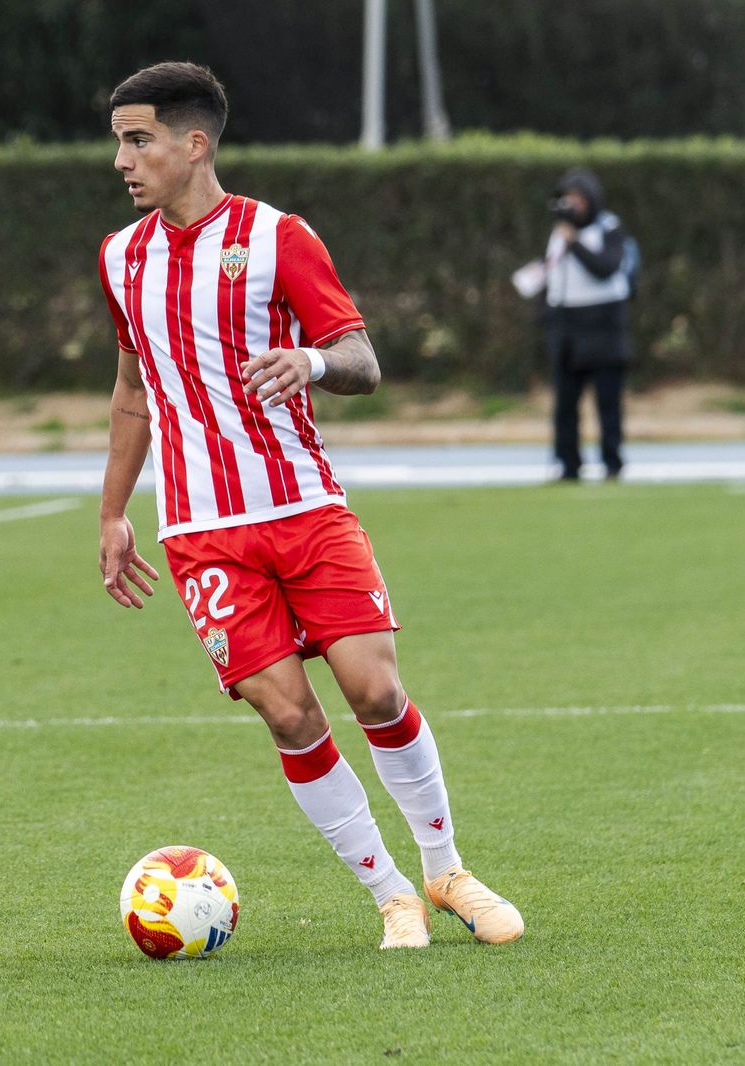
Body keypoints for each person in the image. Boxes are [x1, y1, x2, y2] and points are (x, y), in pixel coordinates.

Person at [95, 62, 523, 951]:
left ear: (194, 144)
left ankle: (446, 869)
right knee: (289, 714)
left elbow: (363, 360)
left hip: (305, 507)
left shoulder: (278, 238)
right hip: (201, 532)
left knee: (375, 689)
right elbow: (133, 389)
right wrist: (112, 513)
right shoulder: (119, 257)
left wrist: (312, 362)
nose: (122, 161)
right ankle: (393, 896)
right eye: (119, 143)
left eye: (138, 141)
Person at [543, 168, 634, 481]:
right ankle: (568, 464)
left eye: (578, 199)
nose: (573, 206)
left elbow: (606, 267)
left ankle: (612, 463)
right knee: (565, 405)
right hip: (567, 329)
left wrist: (575, 243)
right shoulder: (558, 232)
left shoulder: (608, 226)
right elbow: (553, 276)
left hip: (604, 327)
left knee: (608, 403)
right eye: (567, 199)